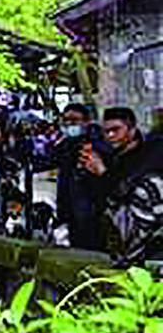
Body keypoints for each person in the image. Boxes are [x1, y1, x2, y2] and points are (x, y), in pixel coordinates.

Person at [82, 107, 163, 266]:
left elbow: (123, 190)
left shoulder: (149, 156)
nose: (110, 136)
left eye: (116, 130)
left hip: (145, 240)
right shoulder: (111, 156)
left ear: (132, 130)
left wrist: (103, 173)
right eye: (106, 131)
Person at [52, 104, 111, 251]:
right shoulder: (66, 145)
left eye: (74, 120)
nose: (69, 124)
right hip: (71, 213)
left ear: (86, 122)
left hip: (94, 215)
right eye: (65, 120)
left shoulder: (98, 145)